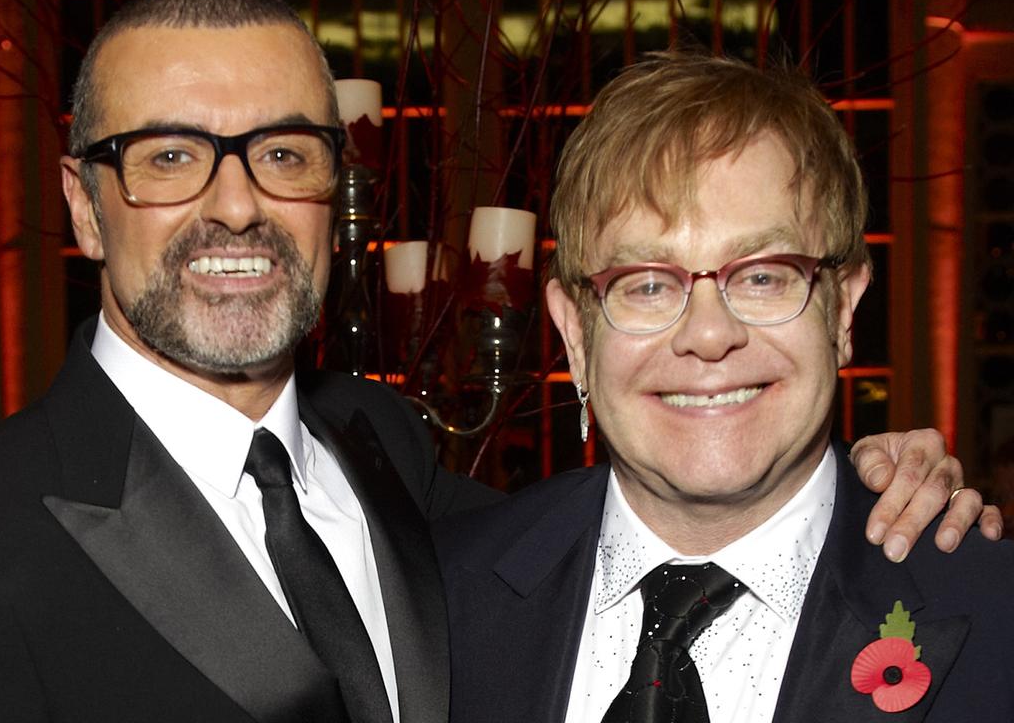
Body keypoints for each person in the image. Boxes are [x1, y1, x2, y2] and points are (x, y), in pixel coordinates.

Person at [0, 0, 995, 723]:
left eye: (284, 152)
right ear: (81, 204)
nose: (239, 204)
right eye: (169, 155)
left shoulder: (394, 472)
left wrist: (874, 475)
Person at [434, 52, 1014, 723]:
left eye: (764, 275)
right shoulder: (432, 603)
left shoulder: (994, 619)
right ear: (574, 335)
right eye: (648, 283)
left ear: (844, 311)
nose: (709, 336)